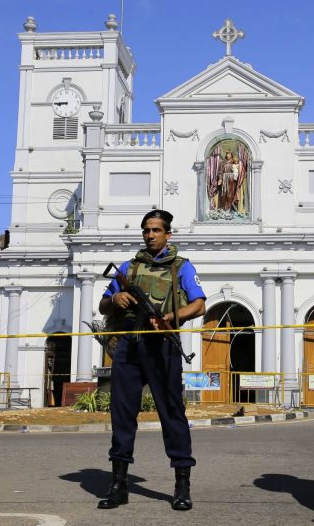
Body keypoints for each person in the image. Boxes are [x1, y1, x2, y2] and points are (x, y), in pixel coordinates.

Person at [97, 209, 206, 512]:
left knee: (172, 413)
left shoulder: (181, 267)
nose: (150, 235)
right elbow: (104, 305)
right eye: (146, 230)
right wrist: (114, 300)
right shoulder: (128, 268)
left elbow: (199, 305)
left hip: (162, 346)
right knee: (122, 413)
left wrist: (172, 317)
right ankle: (118, 484)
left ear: (168, 234)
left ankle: (182, 484)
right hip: (129, 345)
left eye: (156, 230)